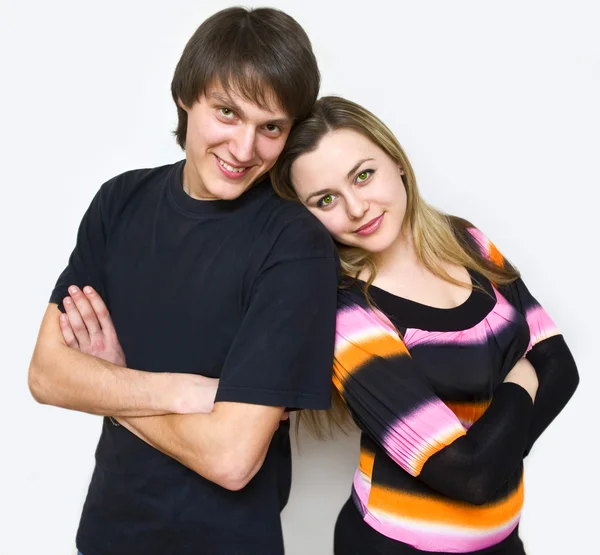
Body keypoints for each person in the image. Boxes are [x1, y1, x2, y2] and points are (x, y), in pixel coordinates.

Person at [27, 8, 338, 555]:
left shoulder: (295, 244)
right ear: (185, 97)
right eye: (227, 113)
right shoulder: (119, 202)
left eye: (271, 128)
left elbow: (232, 459)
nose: (244, 150)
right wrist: (185, 392)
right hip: (105, 536)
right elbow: (47, 375)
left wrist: (111, 383)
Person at [269, 96, 580, 554]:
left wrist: (493, 456)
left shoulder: (467, 242)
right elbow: (470, 475)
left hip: (503, 540)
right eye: (326, 199)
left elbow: (564, 366)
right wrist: (525, 373)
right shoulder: (348, 312)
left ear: (396, 161)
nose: (357, 208)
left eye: (363, 174)